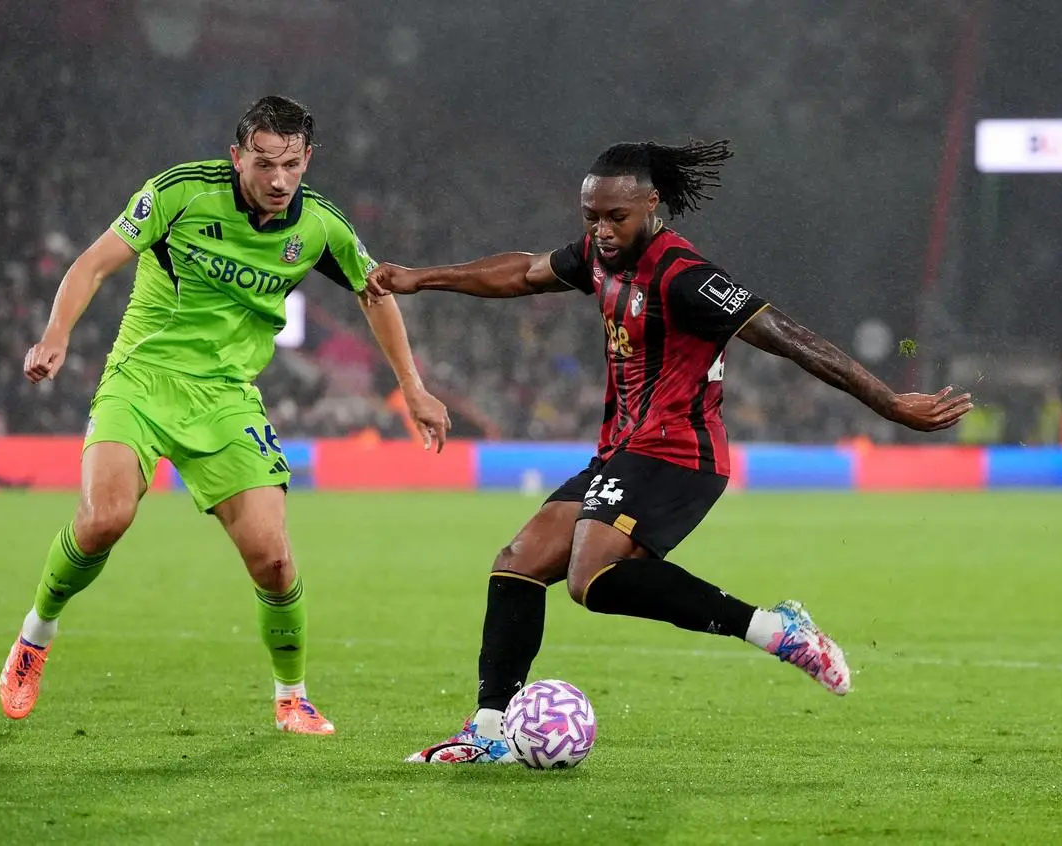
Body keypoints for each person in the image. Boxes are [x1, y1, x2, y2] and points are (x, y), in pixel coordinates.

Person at [367, 139, 972, 763]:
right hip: (623, 451)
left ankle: (776, 630)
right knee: (518, 562)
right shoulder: (598, 256)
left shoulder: (686, 276)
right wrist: (420, 278)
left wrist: (888, 402)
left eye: (616, 217)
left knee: (589, 577)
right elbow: (522, 272)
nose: (602, 231)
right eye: (591, 217)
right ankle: (490, 732)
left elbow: (788, 336)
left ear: (652, 204)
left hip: (681, 454)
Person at [0, 95, 450, 735]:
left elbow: (374, 293)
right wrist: (56, 335)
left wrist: (412, 386)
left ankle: (292, 698)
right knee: (104, 519)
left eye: (291, 164)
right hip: (142, 382)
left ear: (308, 159)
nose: (278, 179)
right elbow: (93, 263)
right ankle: (34, 637)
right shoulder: (181, 193)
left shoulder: (320, 227)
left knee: (274, 561)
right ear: (237, 156)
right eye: (264, 163)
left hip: (227, 398)